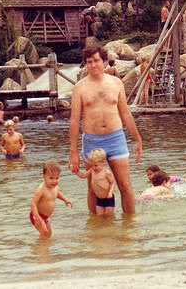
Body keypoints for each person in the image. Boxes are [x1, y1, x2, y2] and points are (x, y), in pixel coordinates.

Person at [69, 45, 144, 215]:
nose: (93, 65)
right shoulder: (80, 87)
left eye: (96, 61)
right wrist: (73, 151)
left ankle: (129, 227)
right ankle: (95, 229)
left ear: (104, 62)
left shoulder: (116, 83)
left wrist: (138, 139)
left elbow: (125, 114)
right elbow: (74, 121)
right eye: (89, 62)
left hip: (116, 138)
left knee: (125, 185)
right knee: (93, 188)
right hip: (91, 141)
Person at [30, 162, 73, 240]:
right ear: (44, 177)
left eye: (57, 178)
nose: (54, 181)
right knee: (44, 232)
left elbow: (57, 194)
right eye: (51, 178)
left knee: (49, 233)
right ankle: (41, 250)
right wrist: (37, 217)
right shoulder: (41, 189)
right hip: (37, 215)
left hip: (46, 216)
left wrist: (65, 199)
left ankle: (44, 248)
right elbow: (33, 203)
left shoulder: (55, 187)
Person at [72, 148, 116, 216]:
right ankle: (100, 226)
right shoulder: (92, 170)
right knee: (99, 216)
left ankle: (110, 226)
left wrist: (110, 192)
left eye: (96, 165)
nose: (94, 167)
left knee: (109, 216)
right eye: (92, 165)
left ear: (103, 162)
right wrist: (76, 171)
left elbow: (113, 183)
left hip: (108, 198)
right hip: (99, 199)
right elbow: (83, 175)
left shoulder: (106, 173)